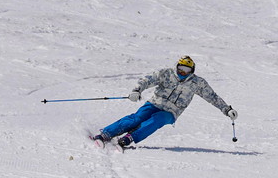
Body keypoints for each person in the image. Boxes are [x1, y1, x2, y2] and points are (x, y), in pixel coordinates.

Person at [92, 56, 236, 148]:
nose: (183, 72)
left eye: (186, 70)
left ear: (192, 71)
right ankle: (106, 133)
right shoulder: (166, 73)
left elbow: (212, 97)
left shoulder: (197, 83)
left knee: (157, 119)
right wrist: (137, 90)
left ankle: (129, 138)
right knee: (137, 118)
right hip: (155, 103)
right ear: (176, 67)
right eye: (181, 68)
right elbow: (148, 79)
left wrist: (227, 109)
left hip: (172, 112)